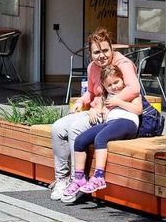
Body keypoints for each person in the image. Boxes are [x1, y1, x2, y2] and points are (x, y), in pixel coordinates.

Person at [50, 28, 140, 200]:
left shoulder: (123, 64)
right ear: (90, 54)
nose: (102, 56)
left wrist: (108, 105)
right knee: (58, 127)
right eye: (96, 52)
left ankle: (78, 181)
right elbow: (91, 93)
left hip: (113, 114)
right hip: (95, 109)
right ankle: (62, 178)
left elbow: (134, 89)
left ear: (112, 49)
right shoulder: (93, 67)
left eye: (105, 50)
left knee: (76, 128)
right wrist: (80, 102)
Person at [61, 65, 142, 203]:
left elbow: (138, 109)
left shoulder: (130, 93)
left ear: (122, 79)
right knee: (80, 140)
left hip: (127, 122)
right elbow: (96, 107)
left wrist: (118, 102)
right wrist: (93, 110)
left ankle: (99, 177)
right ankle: (79, 178)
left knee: (100, 138)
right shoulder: (106, 96)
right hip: (110, 123)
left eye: (116, 82)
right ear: (104, 86)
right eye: (109, 85)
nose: (114, 87)